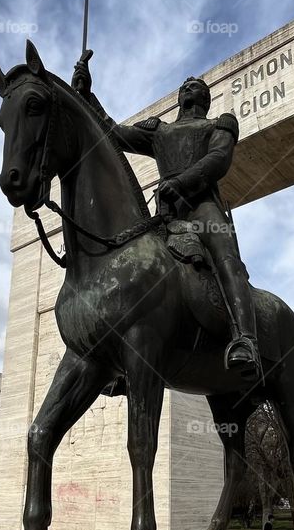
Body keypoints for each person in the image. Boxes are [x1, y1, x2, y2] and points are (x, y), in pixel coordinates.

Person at [72, 54, 260, 377]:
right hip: (167, 214)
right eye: (185, 86)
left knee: (226, 258)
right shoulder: (159, 132)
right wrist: (88, 96)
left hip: (203, 207)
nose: (188, 87)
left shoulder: (220, 124)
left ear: (205, 98)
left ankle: (246, 339)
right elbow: (113, 134)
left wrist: (181, 182)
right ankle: (124, 355)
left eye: (195, 86)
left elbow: (218, 160)